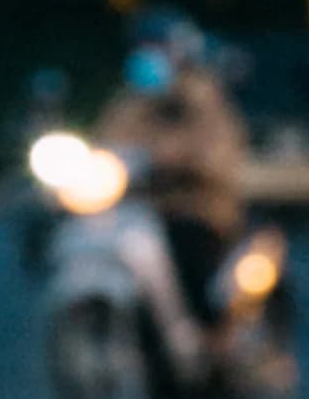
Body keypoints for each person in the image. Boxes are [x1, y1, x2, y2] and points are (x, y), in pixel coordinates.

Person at [105, 26, 249, 316]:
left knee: (189, 253)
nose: (146, 57)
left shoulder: (202, 96)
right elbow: (107, 141)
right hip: (137, 210)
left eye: (155, 49)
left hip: (196, 207)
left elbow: (219, 153)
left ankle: (207, 332)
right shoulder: (130, 101)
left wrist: (175, 161)